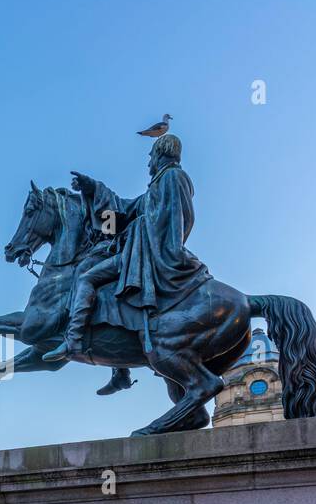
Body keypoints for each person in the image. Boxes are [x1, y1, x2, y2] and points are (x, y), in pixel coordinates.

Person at [43, 133, 208, 362]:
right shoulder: (159, 184)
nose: (148, 162)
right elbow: (124, 209)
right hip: (143, 249)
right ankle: (119, 369)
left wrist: (153, 241)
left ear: (160, 154)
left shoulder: (172, 177)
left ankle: (73, 340)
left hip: (149, 253)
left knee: (87, 278)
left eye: (150, 157)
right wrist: (92, 188)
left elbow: (175, 220)